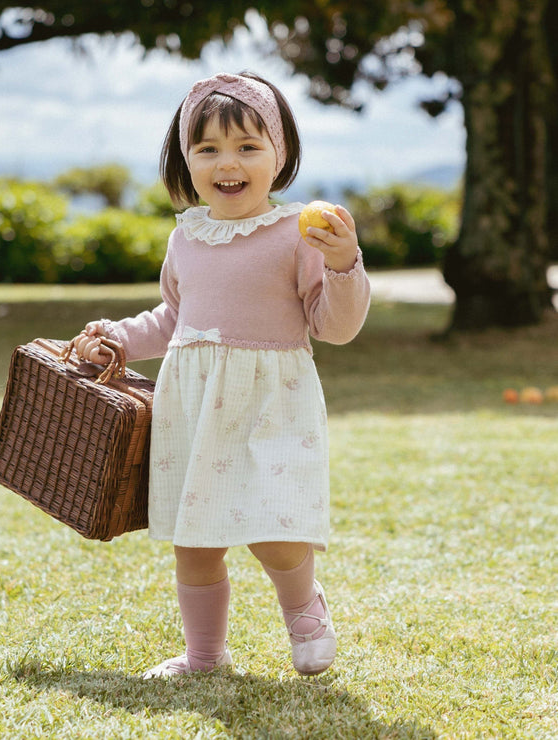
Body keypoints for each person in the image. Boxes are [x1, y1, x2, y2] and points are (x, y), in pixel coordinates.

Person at [73, 72, 371, 678]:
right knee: (196, 540)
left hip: (269, 402)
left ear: (278, 155)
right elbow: (175, 319)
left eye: (246, 147)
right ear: (185, 159)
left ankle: (306, 611)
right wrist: (118, 339)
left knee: (272, 523)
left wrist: (343, 264)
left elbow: (334, 326)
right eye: (207, 148)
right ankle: (204, 656)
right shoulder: (187, 237)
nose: (226, 162)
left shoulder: (298, 234)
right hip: (194, 406)